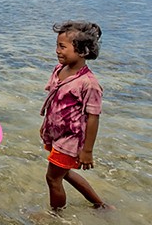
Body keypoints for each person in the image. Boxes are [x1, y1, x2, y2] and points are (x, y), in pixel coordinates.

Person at [41, 21, 110, 211]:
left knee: (53, 178)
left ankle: (55, 216)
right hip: (57, 134)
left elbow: (93, 117)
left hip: (71, 139)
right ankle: (100, 204)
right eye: (57, 45)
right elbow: (53, 101)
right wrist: (45, 125)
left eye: (62, 47)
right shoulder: (59, 70)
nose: (57, 51)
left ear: (82, 51)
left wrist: (87, 151)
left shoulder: (89, 84)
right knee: (64, 173)